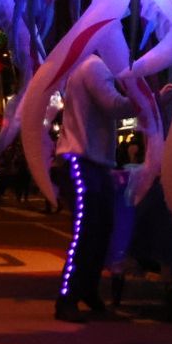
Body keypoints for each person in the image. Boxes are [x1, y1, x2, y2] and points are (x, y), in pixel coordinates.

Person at [53, 49, 136, 323]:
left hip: (93, 162)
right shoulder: (94, 67)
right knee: (86, 234)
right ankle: (67, 298)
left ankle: (87, 289)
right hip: (82, 160)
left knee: (100, 231)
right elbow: (113, 105)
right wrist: (147, 100)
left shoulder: (88, 66)